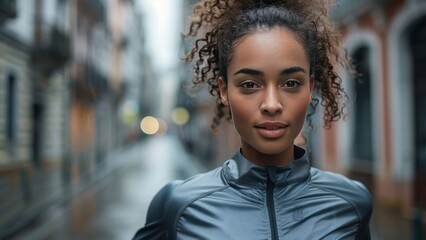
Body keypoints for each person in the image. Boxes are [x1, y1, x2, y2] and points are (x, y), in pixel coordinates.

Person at [133, 0, 373, 239]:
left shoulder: (351, 204)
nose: (271, 104)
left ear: (310, 88)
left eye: (291, 83)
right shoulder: (178, 207)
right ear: (224, 90)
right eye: (249, 84)